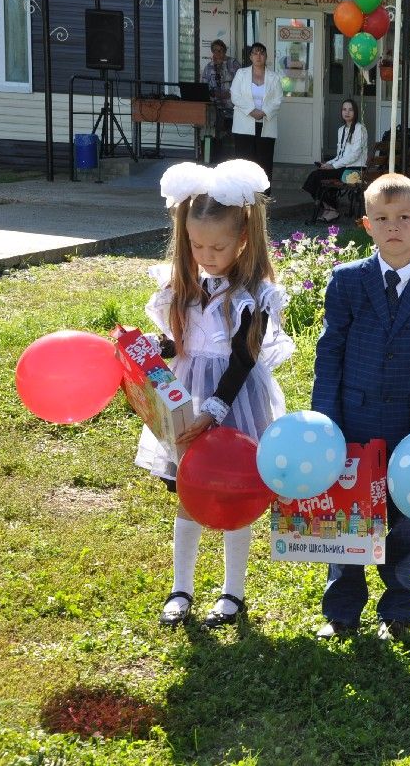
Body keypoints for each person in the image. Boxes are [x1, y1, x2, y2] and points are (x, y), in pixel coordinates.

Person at [137, 159, 294, 629]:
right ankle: (180, 588)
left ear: (243, 238)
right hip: (186, 396)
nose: (206, 254)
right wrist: (152, 348)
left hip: (234, 396)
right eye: (196, 244)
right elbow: (181, 342)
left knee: (234, 488)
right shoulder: (182, 286)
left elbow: (244, 358)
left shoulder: (255, 294)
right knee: (190, 488)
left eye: (217, 246)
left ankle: (232, 594)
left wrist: (217, 406)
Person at [312, 173, 410, 641]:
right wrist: (325, 423)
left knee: (404, 521)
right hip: (352, 421)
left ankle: (397, 608)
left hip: (408, 427)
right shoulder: (348, 281)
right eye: (382, 219)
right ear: (366, 225)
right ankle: (342, 608)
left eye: (403, 218)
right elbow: (330, 351)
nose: (393, 227)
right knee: (351, 516)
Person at [302, 99, 369, 221]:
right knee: (315, 177)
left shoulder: (360, 129)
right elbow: (340, 155)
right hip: (343, 167)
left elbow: (355, 155)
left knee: (315, 177)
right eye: (344, 109)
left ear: (355, 112)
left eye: (350, 110)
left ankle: (331, 209)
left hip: (354, 169)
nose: (347, 112)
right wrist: (328, 164)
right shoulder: (341, 130)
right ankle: (330, 209)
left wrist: (333, 166)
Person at [230, 42, 281, 187]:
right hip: (243, 126)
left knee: (264, 164)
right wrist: (252, 111)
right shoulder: (241, 73)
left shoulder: (274, 77)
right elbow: (235, 95)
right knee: (244, 164)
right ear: (250, 56)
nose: (259, 56)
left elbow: (278, 100)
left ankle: (263, 200)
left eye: (262, 53)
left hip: (266, 125)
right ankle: (243, 198)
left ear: (266, 56)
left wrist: (263, 112)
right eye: (255, 53)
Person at [202, 39, 240, 146]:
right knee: (216, 135)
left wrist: (229, 94)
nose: (217, 54)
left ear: (225, 51)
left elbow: (241, 84)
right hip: (215, 108)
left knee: (233, 138)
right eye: (215, 51)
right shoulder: (209, 67)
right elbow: (204, 86)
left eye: (220, 51)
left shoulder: (233, 63)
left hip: (232, 107)